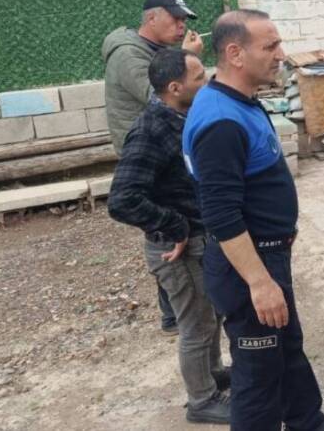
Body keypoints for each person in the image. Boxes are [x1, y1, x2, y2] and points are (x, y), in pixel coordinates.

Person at [183, 9, 324, 431]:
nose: (282, 54)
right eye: (271, 46)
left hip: (267, 255)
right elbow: (221, 213)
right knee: (258, 373)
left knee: (286, 346)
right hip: (248, 267)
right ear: (235, 53)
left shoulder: (236, 100)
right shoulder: (220, 122)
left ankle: (306, 422)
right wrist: (260, 283)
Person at [108, 48, 231, 425]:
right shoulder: (151, 129)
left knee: (208, 315)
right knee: (195, 324)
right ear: (175, 87)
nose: (207, 81)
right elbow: (122, 199)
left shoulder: (179, 117)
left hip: (197, 239)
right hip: (176, 248)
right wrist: (174, 225)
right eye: (198, 78)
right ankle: (202, 399)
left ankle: (211, 373)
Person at [103, 0, 204, 334]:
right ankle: (173, 315)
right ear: (151, 19)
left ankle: (178, 311)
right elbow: (160, 95)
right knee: (165, 235)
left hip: (162, 148)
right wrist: (186, 58)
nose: (180, 26)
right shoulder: (129, 55)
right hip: (147, 151)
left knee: (176, 231)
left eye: (183, 21)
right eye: (174, 19)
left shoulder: (155, 51)